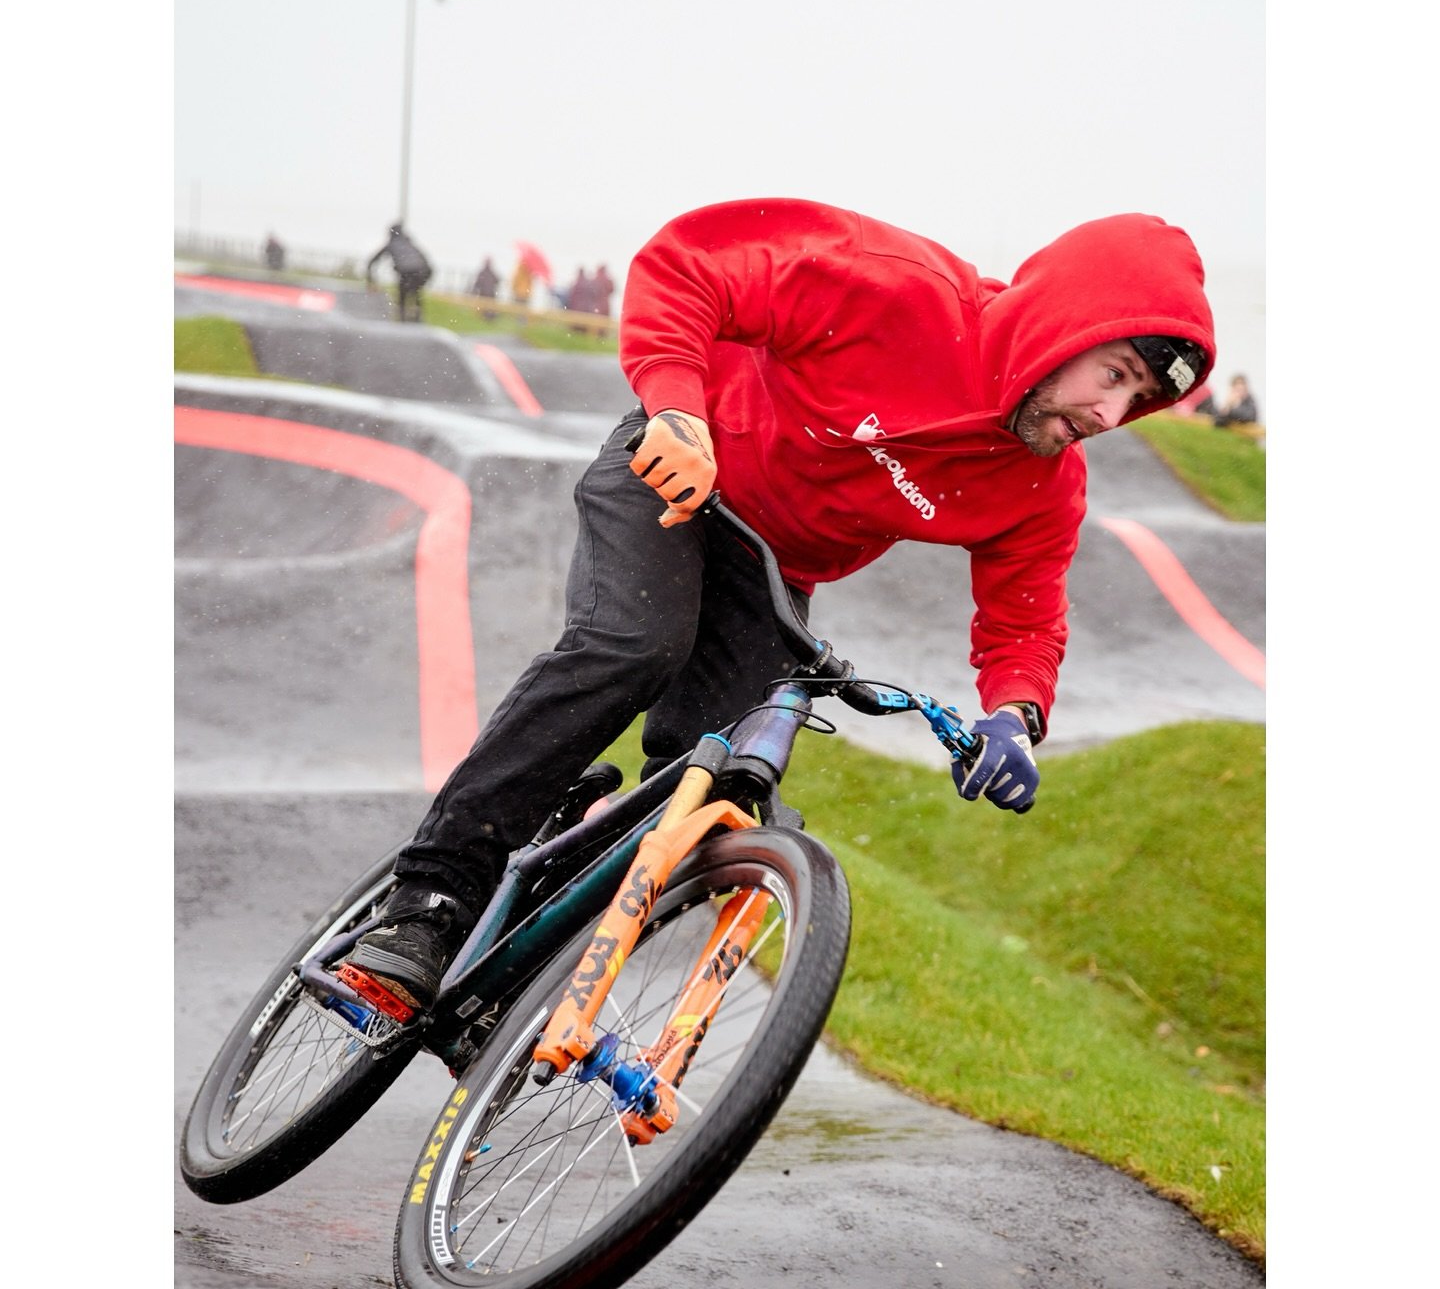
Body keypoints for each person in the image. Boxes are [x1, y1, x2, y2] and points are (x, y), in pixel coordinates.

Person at [344, 198, 1215, 1013]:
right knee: (634, 645)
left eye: (1139, 399)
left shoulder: (1041, 482)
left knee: (710, 793)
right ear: (1065, 324)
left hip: (772, 574)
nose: (1112, 412)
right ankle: (428, 898)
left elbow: (1026, 613)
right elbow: (689, 264)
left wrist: (1016, 715)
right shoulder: (894, 288)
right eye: (1114, 374)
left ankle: (530, 935)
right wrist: (678, 411)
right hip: (682, 477)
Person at [366, 223, 434, 323]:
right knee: (416, 293)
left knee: (403, 297)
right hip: (425, 271)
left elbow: (372, 262)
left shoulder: (392, 244)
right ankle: (417, 317)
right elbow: (424, 261)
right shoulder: (410, 243)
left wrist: (371, 280)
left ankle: (403, 321)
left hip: (408, 272)